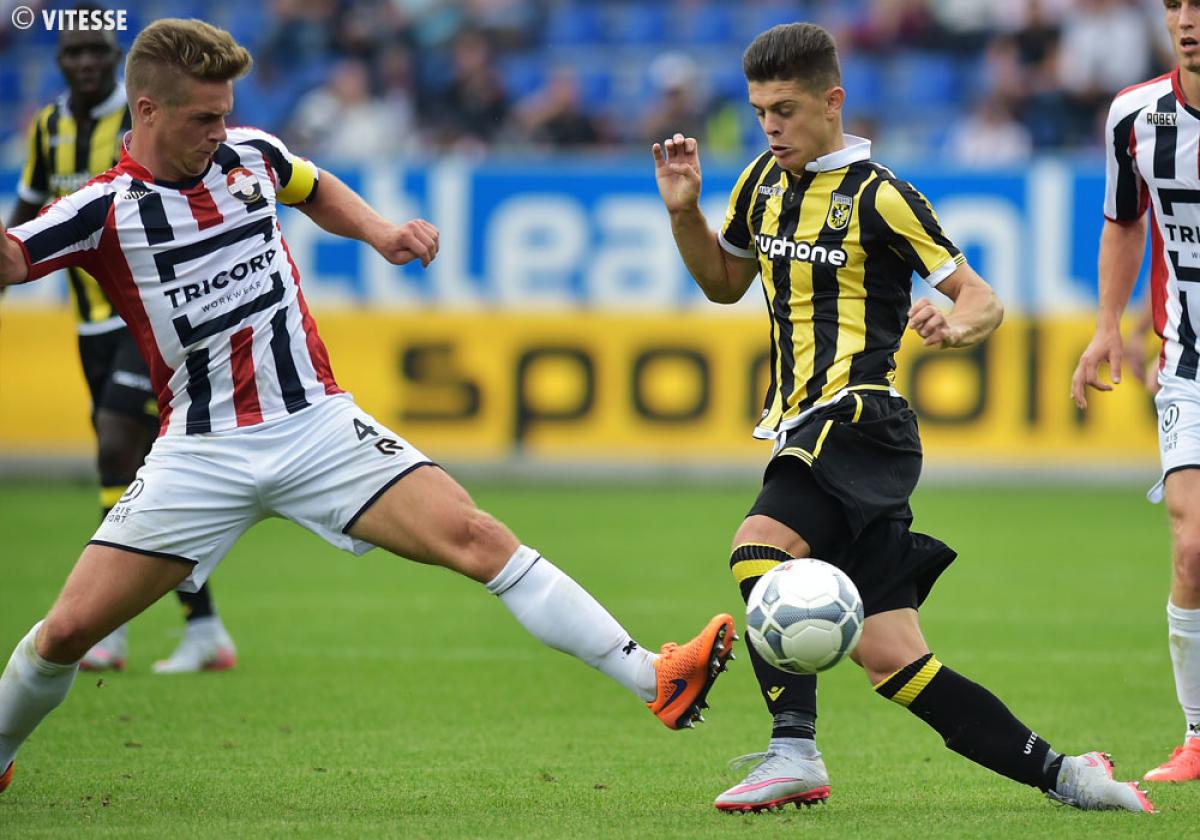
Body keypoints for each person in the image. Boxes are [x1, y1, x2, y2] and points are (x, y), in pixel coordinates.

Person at [0, 18, 735, 796]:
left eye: (224, 114)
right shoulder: (105, 208)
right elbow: (15, 255)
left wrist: (381, 233)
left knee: (477, 536)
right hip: (200, 452)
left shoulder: (251, 156)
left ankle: (654, 677)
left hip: (316, 426)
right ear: (146, 111)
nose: (219, 132)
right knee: (68, 632)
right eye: (202, 118)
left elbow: (312, 187)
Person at [653, 22, 1152, 814]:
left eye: (785, 110)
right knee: (896, 662)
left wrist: (953, 327)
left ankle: (793, 750)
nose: (771, 127)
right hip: (805, 425)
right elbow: (723, 283)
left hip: (859, 417)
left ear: (832, 101)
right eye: (760, 113)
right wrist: (685, 215)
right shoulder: (759, 184)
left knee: (759, 550)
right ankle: (1070, 776)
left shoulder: (881, 195)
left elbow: (982, 298)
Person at [7, 6, 236, 675]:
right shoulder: (48, 127)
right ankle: (204, 627)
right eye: (73, 52)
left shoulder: (148, 122)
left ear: (118, 59)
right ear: (58, 60)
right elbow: (28, 210)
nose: (85, 62)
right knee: (135, 474)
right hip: (89, 325)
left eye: (96, 51)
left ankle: (110, 626)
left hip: (148, 318)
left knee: (117, 449)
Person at [1071, 0, 1200, 785]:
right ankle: (1198, 738)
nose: (1187, 19)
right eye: (1175, 3)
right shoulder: (1136, 116)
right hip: (1189, 361)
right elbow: (1124, 223)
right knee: (1192, 546)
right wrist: (1106, 327)